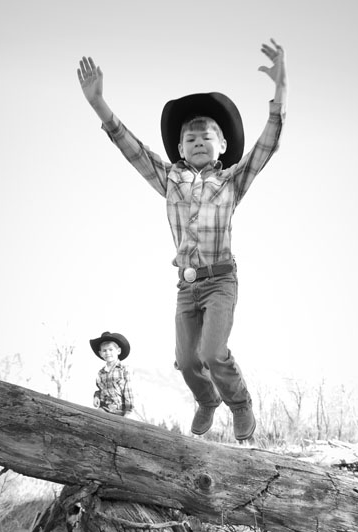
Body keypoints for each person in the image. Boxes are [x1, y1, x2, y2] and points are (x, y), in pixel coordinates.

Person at [77, 41, 287, 441]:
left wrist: (280, 89)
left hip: (221, 281)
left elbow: (266, 146)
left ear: (222, 145)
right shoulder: (170, 179)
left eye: (207, 137)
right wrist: (98, 103)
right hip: (187, 287)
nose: (198, 142)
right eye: (190, 139)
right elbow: (132, 149)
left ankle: (240, 403)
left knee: (211, 353)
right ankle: (207, 400)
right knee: (187, 362)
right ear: (179, 149)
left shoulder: (230, 182)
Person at [90, 331, 134, 417]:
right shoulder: (101, 372)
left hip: (119, 410)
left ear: (118, 351)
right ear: (100, 353)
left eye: (110, 349)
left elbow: (128, 392)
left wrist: (128, 411)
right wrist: (96, 396)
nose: (108, 353)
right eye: (104, 350)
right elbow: (101, 389)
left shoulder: (124, 370)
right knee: (92, 417)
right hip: (104, 408)